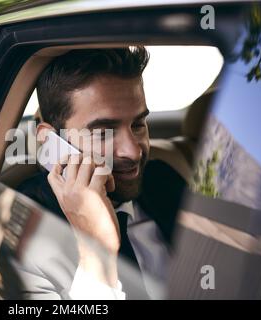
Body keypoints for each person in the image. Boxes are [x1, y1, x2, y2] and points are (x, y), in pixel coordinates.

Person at [17, 48, 186, 299]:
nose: (133, 152)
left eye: (138, 125)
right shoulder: (24, 228)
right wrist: (96, 253)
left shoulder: (165, 181)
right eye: (103, 131)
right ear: (50, 140)